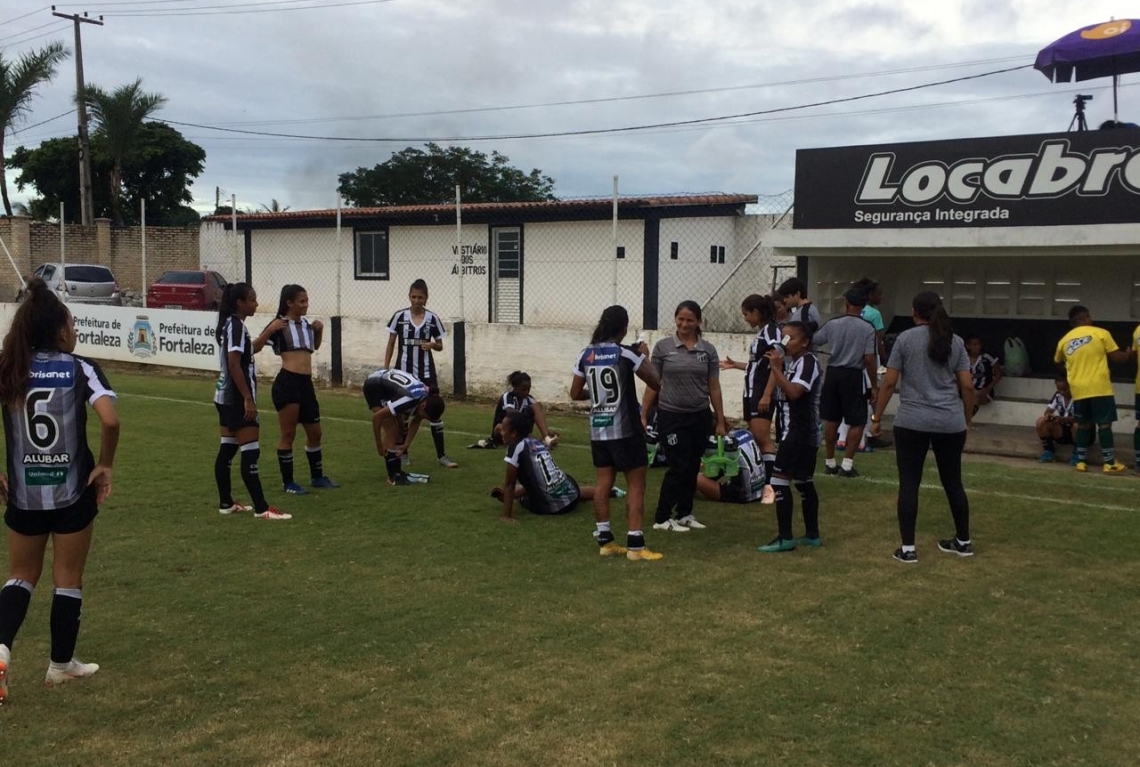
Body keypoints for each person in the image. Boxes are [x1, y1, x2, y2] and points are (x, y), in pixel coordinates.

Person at [0, 278, 120, 703]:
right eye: (71, 320)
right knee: (67, 578)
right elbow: (109, 420)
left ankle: (0, 651)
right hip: (72, 493)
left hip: (23, 495)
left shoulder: (9, 365)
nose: (75, 328)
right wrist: (104, 465)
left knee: (20, 577)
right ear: (59, 330)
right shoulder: (79, 366)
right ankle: (59, 666)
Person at [869, 292, 973, 564]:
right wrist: (966, 418)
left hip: (913, 420)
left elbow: (889, 383)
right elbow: (967, 385)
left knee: (909, 483)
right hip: (950, 420)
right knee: (953, 481)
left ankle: (908, 548)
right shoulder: (957, 341)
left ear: (914, 312)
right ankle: (963, 541)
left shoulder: (905, 339)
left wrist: (877, 417)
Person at [569, 304, 663, 561]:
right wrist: (644, 356)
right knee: (636, 485)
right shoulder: (626, 354)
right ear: (623, 329)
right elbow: (656, 382)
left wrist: (600, 397)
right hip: (626, 430)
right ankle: (635, 545)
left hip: (599, 430)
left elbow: (575, 393)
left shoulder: (585, 354)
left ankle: (606, 541)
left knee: (603, 484)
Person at [642, 301, 727, 532]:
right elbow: (653, 383)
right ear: (675, 319)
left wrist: (719, 420)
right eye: (680, 319)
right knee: (677, 466)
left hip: (699, 416)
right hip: (671, 416)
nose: (684, 324)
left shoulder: (708, 350)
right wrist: (643, 413)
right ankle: (662, 517)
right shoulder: (663, 347)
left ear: (698, 321)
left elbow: (714, 387)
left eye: (690, 320)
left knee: (691, 466)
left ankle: (684, 513)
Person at [214, 283, 291, 521]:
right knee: (251, 451)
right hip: (236, 398)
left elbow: (249, 351)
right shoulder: (236, 326)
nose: (256, 304)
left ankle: (226, 503)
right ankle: (262, 508)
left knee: (227, 449)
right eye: (253, 300)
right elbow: (235, 363)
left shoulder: (231, 324)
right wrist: (248, 397)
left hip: (224, 397)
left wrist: (269, 331)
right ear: (240, 302)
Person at [757, 322, 823, 552]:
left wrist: (777, 369)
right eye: (783, 338)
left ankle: (785, 538)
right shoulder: (795, 362)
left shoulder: (808, 362)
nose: (784, 343)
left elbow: (795, 392)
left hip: (798, 432)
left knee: (778, 481)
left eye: (790, 338)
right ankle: (812, 535)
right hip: (798, 431)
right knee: (804, 482)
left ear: (804, 342)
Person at [267, 284, 338, 495]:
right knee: (288, 434)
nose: (306, 305)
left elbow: (313, 348)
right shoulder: (279, 325)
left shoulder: (306, 325)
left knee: (315, 433)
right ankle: (288, 483)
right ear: (289, 303)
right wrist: (269, 331)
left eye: (307, 301)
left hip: (306, 385)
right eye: (302, 301)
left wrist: (319, 331)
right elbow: (255, 346)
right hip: (288, 383)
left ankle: (317, 477)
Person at [492, 410, 623, 523]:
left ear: (514, 433)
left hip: (551, 506)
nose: (501, 433)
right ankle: (611, 492)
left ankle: (509, 496)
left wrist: (506, 516)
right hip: (571, 494)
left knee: (522, 494)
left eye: (504, 430)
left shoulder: (515, 448)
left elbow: (510, 484)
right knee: (551, 485)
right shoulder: (535, 442)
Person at [385, 279, 457, 469]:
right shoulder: (399, 317)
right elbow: (391, 343)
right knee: (402, 414)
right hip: (404, 375)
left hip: (426, 374)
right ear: (409, 296)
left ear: (426, 299)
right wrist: (386, 368)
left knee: (434, 411)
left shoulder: (432, 319)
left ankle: (441, 455)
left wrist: (433, 345)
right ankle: (403, 453)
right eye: (414, 296)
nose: (417, 300)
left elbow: (440, 345)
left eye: (421, 297)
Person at [1053, 306, 1134, 473]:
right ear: (1085, 318)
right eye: (1089, 316)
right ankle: (1109, 462)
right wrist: (1128, 354)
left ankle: (1081, 462)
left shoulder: (1064, 340)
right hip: (1099, 387)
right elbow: (1117, 357)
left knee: (1083, 425)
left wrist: (1071, 370)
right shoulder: (1100, 333)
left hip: (1078, 389)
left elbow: (1057, 361)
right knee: (1104, 425)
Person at [720, 294, 780, 503]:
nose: (745, 318)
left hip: (761, 392)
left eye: (746, 314)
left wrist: (767, 393)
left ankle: (771, 486)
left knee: (763, 438)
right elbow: (758, 365)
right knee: (755, 436)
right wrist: (735, 364)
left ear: (756, 312)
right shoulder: (762, 332)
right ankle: (761, 480)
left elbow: (776, 363)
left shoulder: (772, 331)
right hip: (751, 392)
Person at [814, 287, 878, 479]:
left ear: (847, 304)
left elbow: (815, 339)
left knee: (831, 418)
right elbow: (868, 358)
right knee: (857, 420)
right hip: (853, 374)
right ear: (863, 306)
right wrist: (874, 384)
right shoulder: (867, 328)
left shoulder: (834, 323)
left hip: (833, 373)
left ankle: (830, 462)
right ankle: (848, 465)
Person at [363, 368, 446, 486]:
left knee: (401, 430)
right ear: (423, 405)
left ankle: (397, 471)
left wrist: (406, 444)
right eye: (425, 416)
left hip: (390, 387)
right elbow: (377, 418)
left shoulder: (428, 397)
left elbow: (416, 421)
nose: (423, 418)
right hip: (375, 386)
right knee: (393, 429)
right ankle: (392, 477)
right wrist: (379, 445)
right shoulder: (411, 399)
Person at [469, 371, 559, 450]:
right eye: (523, 389)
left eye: (529, 389)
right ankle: (537, 441)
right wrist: (526, 417)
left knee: (536, 407)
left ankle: (546, 438)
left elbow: (538, 412)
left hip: (518, 433)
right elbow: (511, 414)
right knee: (503, 425)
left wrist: (546, 431)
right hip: (503, 432)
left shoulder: (529, 399)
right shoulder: (508, 396)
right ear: (515, 387)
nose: (527, 392)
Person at [696, 428, 767, 504]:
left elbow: (713, 468)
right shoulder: (745, 432)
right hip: (759, 487)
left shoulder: (724, 442)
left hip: (744, 493)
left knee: (693, 477)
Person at [1036, 378, 1077, 464]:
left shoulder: (1080, 397)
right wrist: (1050, 417)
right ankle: (1049, 452)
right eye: (1059, 389)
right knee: (1041, 421)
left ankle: (1078, 454)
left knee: (1077, 425)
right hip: (1062, 430)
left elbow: (1082, 418)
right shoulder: (1058, 395)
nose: (1062, 392)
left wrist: (1063, 419)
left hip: (1076, 430)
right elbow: (1047, 411)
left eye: (1065, 389)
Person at [966, 335, 1003, 412]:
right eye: (974, 345)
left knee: (976, 397)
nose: (977, 347)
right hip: (968, 390)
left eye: (979, 344)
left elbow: (999, 373)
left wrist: (988, 388)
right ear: (968, 346)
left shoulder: (987, 357)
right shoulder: (964, 358)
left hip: (985, 391)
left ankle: (968, 419)